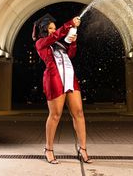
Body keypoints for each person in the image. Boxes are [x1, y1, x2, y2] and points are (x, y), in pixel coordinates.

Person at [32, 13, 92, 164]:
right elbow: (55, 36)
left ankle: (83, 148)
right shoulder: (41, 43)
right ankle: (49, 149)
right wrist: (69, 24)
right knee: (56, 115)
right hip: (54, 79)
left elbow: (71, 55)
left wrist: (72, 43)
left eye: (54, 28)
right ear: (44, 30)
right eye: (50, 28)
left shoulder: (58, 44)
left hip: (70, 77)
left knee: (78, 112)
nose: (53, 31)